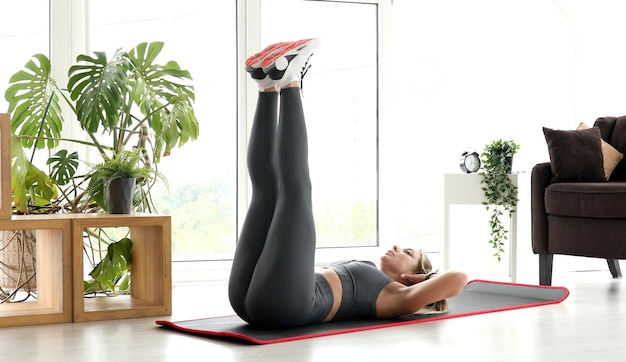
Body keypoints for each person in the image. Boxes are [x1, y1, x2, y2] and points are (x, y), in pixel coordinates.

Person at [228, 38, 468, 329]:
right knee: (266, 192)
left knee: (296, 191)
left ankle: (290, 79)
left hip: (285, 306)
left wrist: (425, 280)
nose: (397, 247)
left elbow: (459, 279)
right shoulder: (375, 276)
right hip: (252, 299)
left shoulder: (396, 297)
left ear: (412, 275)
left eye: (408, 254)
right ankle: (267, 84)